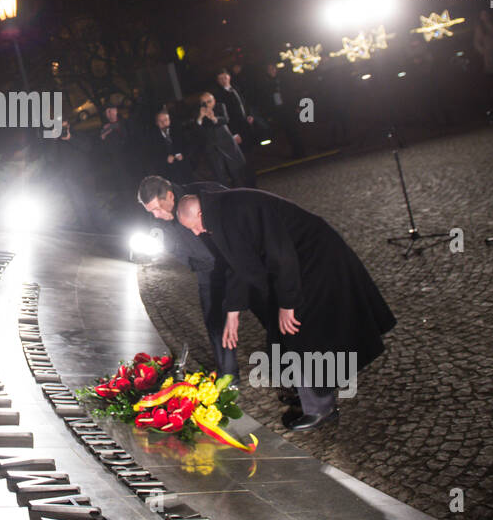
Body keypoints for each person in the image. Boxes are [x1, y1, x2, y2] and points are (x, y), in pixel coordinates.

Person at [176, 189, 396, 431]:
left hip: (315, 257)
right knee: (280, 332)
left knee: (297, 331)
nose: (197, 233)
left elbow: (281, 254)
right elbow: (238, 265)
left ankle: (320, 408)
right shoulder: (218, 214)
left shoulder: (228, 213)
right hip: (297, 261)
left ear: (199, 212)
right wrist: (233, 312)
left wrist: (288, 303)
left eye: (194, 226)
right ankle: (305, 393)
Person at [137, 175, 253, 388]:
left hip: (235, 263)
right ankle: (227, 375)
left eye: (158, 209)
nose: (156, 215)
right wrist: (190, 261)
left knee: (268, 312)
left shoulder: (205, 193)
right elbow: (166, 243)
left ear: (170, 195)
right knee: (215, 323)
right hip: (206, 272)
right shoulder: (157, 218)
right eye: (150, 211)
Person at [194, 91, 255, 187]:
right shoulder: (199, 111)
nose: (207, 104)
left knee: (236, 171)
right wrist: (200, 117)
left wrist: (214, 118)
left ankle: (244, 190)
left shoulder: (220, 106)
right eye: (204, 102)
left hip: (226, 143)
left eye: (209, 101)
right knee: (219, 174)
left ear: (214, 100)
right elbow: (196, 129)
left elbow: (225, 119)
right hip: (212, 147)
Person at [147, 108, 192, 184]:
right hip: (167, 171)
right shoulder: (152, 137)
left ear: (169, 120)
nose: (163, 123)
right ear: (157, 123)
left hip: (183, 166)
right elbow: (153, 155)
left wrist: (182, 154)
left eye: (165, 120)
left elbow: (188, 146)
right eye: (160, 121)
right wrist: (165, 158)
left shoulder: (178, 130)